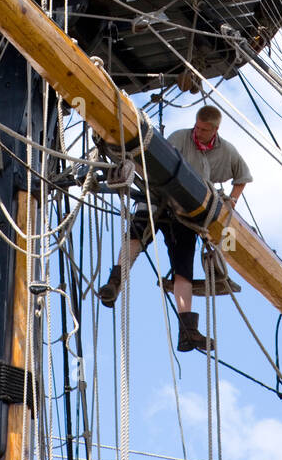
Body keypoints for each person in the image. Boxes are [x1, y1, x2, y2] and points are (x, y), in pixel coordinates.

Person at [98, 104, 251, 352]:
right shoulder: (180, 137)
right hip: (156, 197)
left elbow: (242, 177)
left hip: (188, 212)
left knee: (183, 270)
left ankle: (187, 332)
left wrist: (231, 201)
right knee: (136, 237)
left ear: (215, 129)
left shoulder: (227, 152)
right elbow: (154, 164)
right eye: (197, 126)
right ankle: (114, 284)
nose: (197, 131)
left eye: (203, 129)